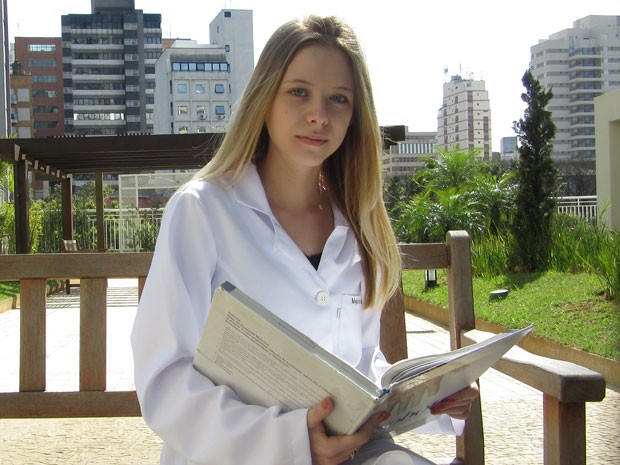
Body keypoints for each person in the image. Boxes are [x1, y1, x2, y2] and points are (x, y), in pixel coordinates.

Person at [131, 15, 478, 465]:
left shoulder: (359, 225)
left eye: (339, 99)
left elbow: (356, 368)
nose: (319, 115)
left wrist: (427, 399)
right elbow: (164, 380)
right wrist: (291, 441)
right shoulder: (202, 211)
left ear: (355, 116)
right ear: (264, 98)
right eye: (299, 92)